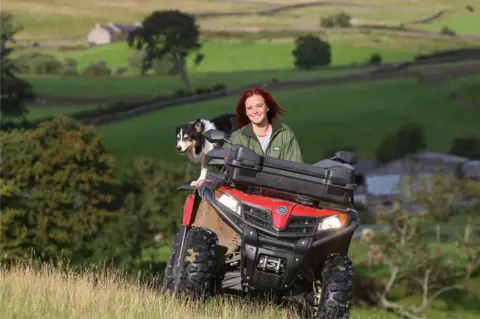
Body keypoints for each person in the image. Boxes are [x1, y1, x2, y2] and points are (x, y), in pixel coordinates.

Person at [227, 88, 303, 163]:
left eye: (259, 106)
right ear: (246, 112)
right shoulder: (238, 137)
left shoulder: (284, 133)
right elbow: (224, 162)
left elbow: (297, 166)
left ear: (267, 107)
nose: (255, 111)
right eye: (250, 108)